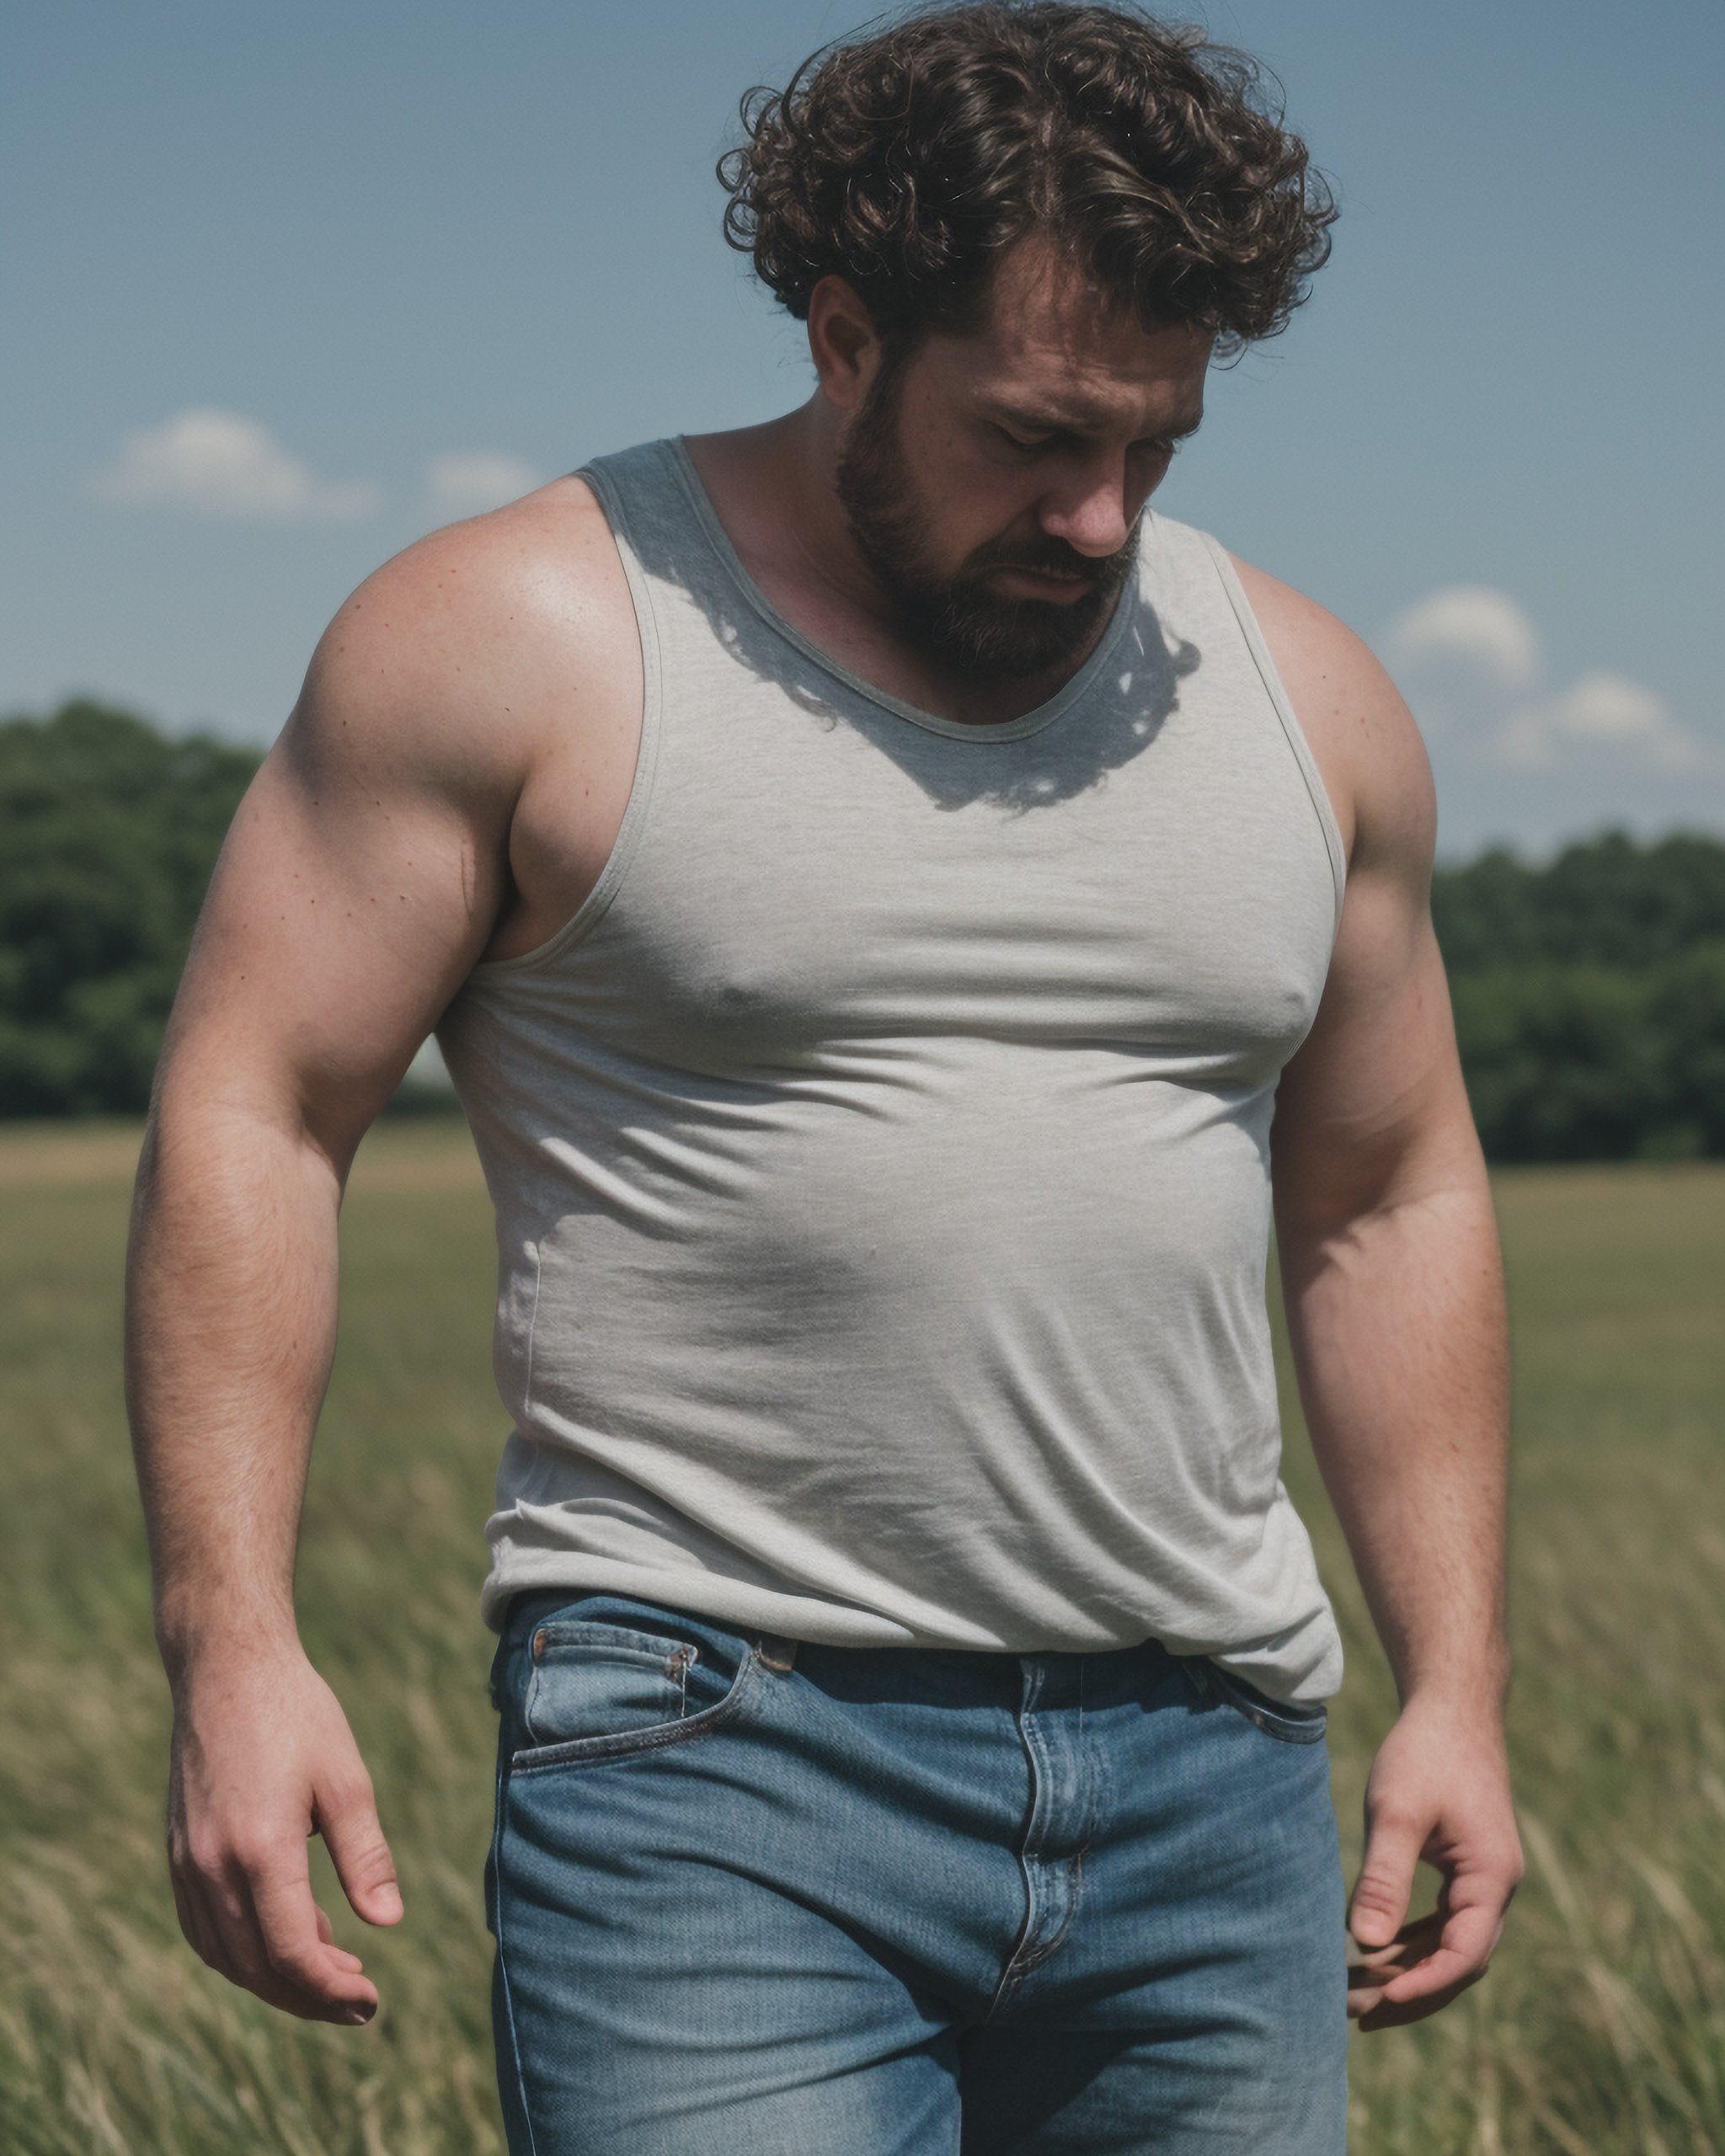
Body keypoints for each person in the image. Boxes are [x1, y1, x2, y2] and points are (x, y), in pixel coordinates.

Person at [126, 3, 1523, 2149]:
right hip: (715, 1760)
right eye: (1038, 434)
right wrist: (235, 1645)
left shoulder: (1309, 701)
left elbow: (1386, 1186)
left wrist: (1455, 1681)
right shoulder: (517, 637)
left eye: (1155, 446)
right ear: (845, 332)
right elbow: (256, 1106)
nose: (1094, 516)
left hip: (1214, 1771)